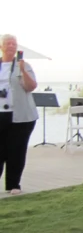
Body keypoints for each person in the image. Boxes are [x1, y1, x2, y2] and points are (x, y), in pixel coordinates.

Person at [0, 34, 38, 195]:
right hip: (1, 113)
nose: (11, 46)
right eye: (8, 43)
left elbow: (31, 86)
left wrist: (23, 71)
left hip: (21, 116)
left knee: (17, 150)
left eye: (14, 44)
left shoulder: (24, 65)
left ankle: (13, 184)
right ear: (2, 46)